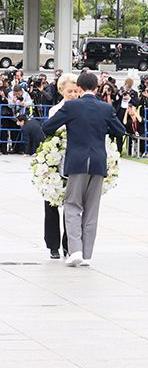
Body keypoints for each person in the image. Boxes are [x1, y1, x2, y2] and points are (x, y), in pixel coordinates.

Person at [42, 71, 126, 267]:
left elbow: (47, 127)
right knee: (92, 209)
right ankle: (87, 254)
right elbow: (120, 131)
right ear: (96, 88)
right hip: (98, 162)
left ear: (79, 88)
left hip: (77, 162)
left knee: (72, 206)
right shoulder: (106, 108)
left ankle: (76, 250)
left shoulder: (71, 106)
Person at [39, 73, 77, 259]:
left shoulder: (81, 108)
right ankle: (53, 245)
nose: (73, 95)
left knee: (73, 206)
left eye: (76, 91)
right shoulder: (56, 110)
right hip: (56, 159)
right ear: (61, 91)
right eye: (70, 91)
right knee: (52, 202)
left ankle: (69, 244)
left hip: (74, 160)